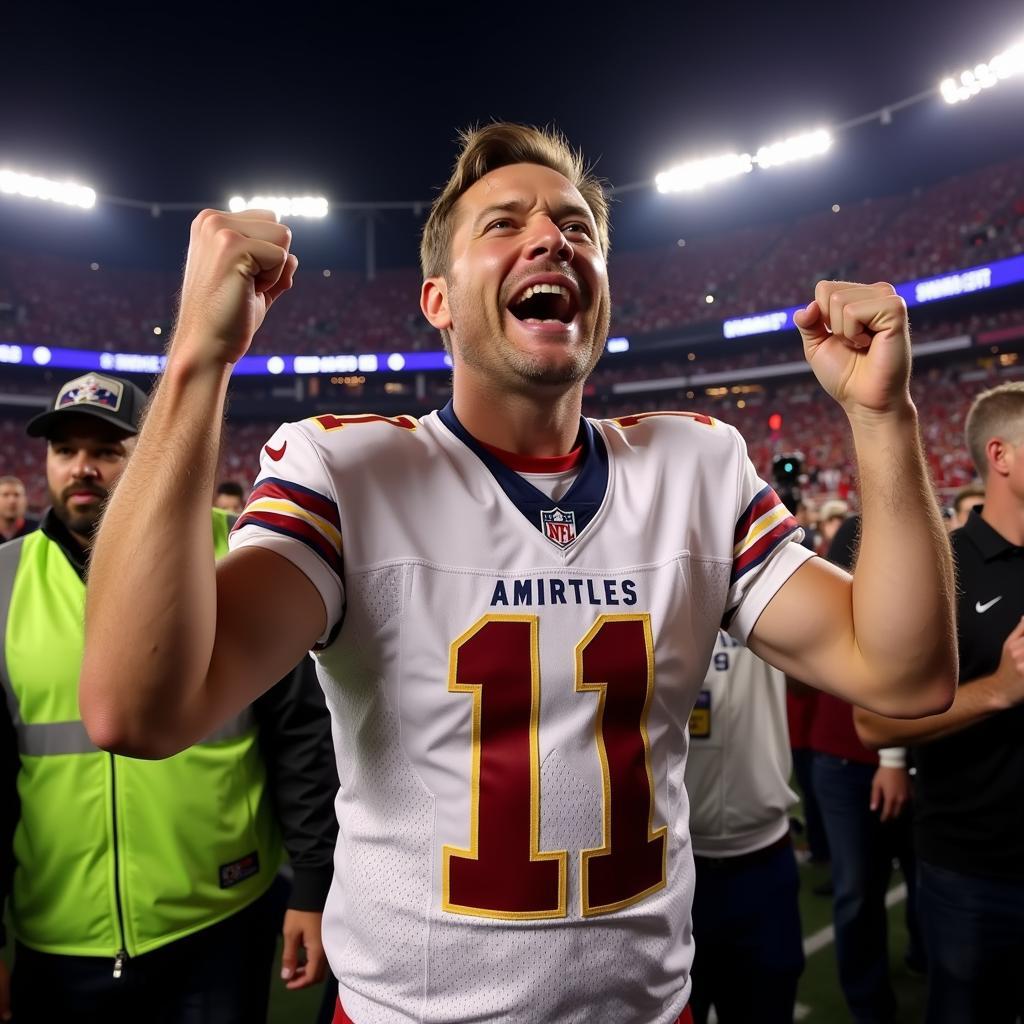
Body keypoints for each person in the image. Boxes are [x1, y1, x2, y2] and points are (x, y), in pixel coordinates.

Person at [79, 124, 957, 1024]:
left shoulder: (698, 465)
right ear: (439, 301)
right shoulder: (343, 471)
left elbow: (904, 671)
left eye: (576, 227)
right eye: (504, 224)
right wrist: (196, 362)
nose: (551, 237)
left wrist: (883, 419)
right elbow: (138, 708)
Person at [0, 372, 338, 1024]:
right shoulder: (5, 581)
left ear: (150, 457)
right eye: (65, 450)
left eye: (106, 451)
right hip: (57, 929)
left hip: (219, 918)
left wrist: (314, 882)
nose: (82, 469)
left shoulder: (237, 550)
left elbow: (299, 730)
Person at [855, 381, 1024, 1024]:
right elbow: (872, 720)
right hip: (974, 867)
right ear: (1000, 456)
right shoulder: (941, 569)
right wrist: (1000, 691)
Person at [809, 514, 924, 1024]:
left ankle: (924, 963)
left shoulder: (917, 566)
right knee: (857, 891)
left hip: (907, 753)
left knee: (928, 880)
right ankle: (868, 1004)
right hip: (844, 755)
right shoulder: (854, 538)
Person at [685, 632, 804, 1024]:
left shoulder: (763, 577)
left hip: (762, 860)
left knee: (766, 1008)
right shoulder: (652, 587)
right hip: (675, 868)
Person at [0, 477, 36, 541]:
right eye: (5, 495)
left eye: (17, 495)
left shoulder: (38, 531)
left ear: (25, 500)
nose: (12, 501)